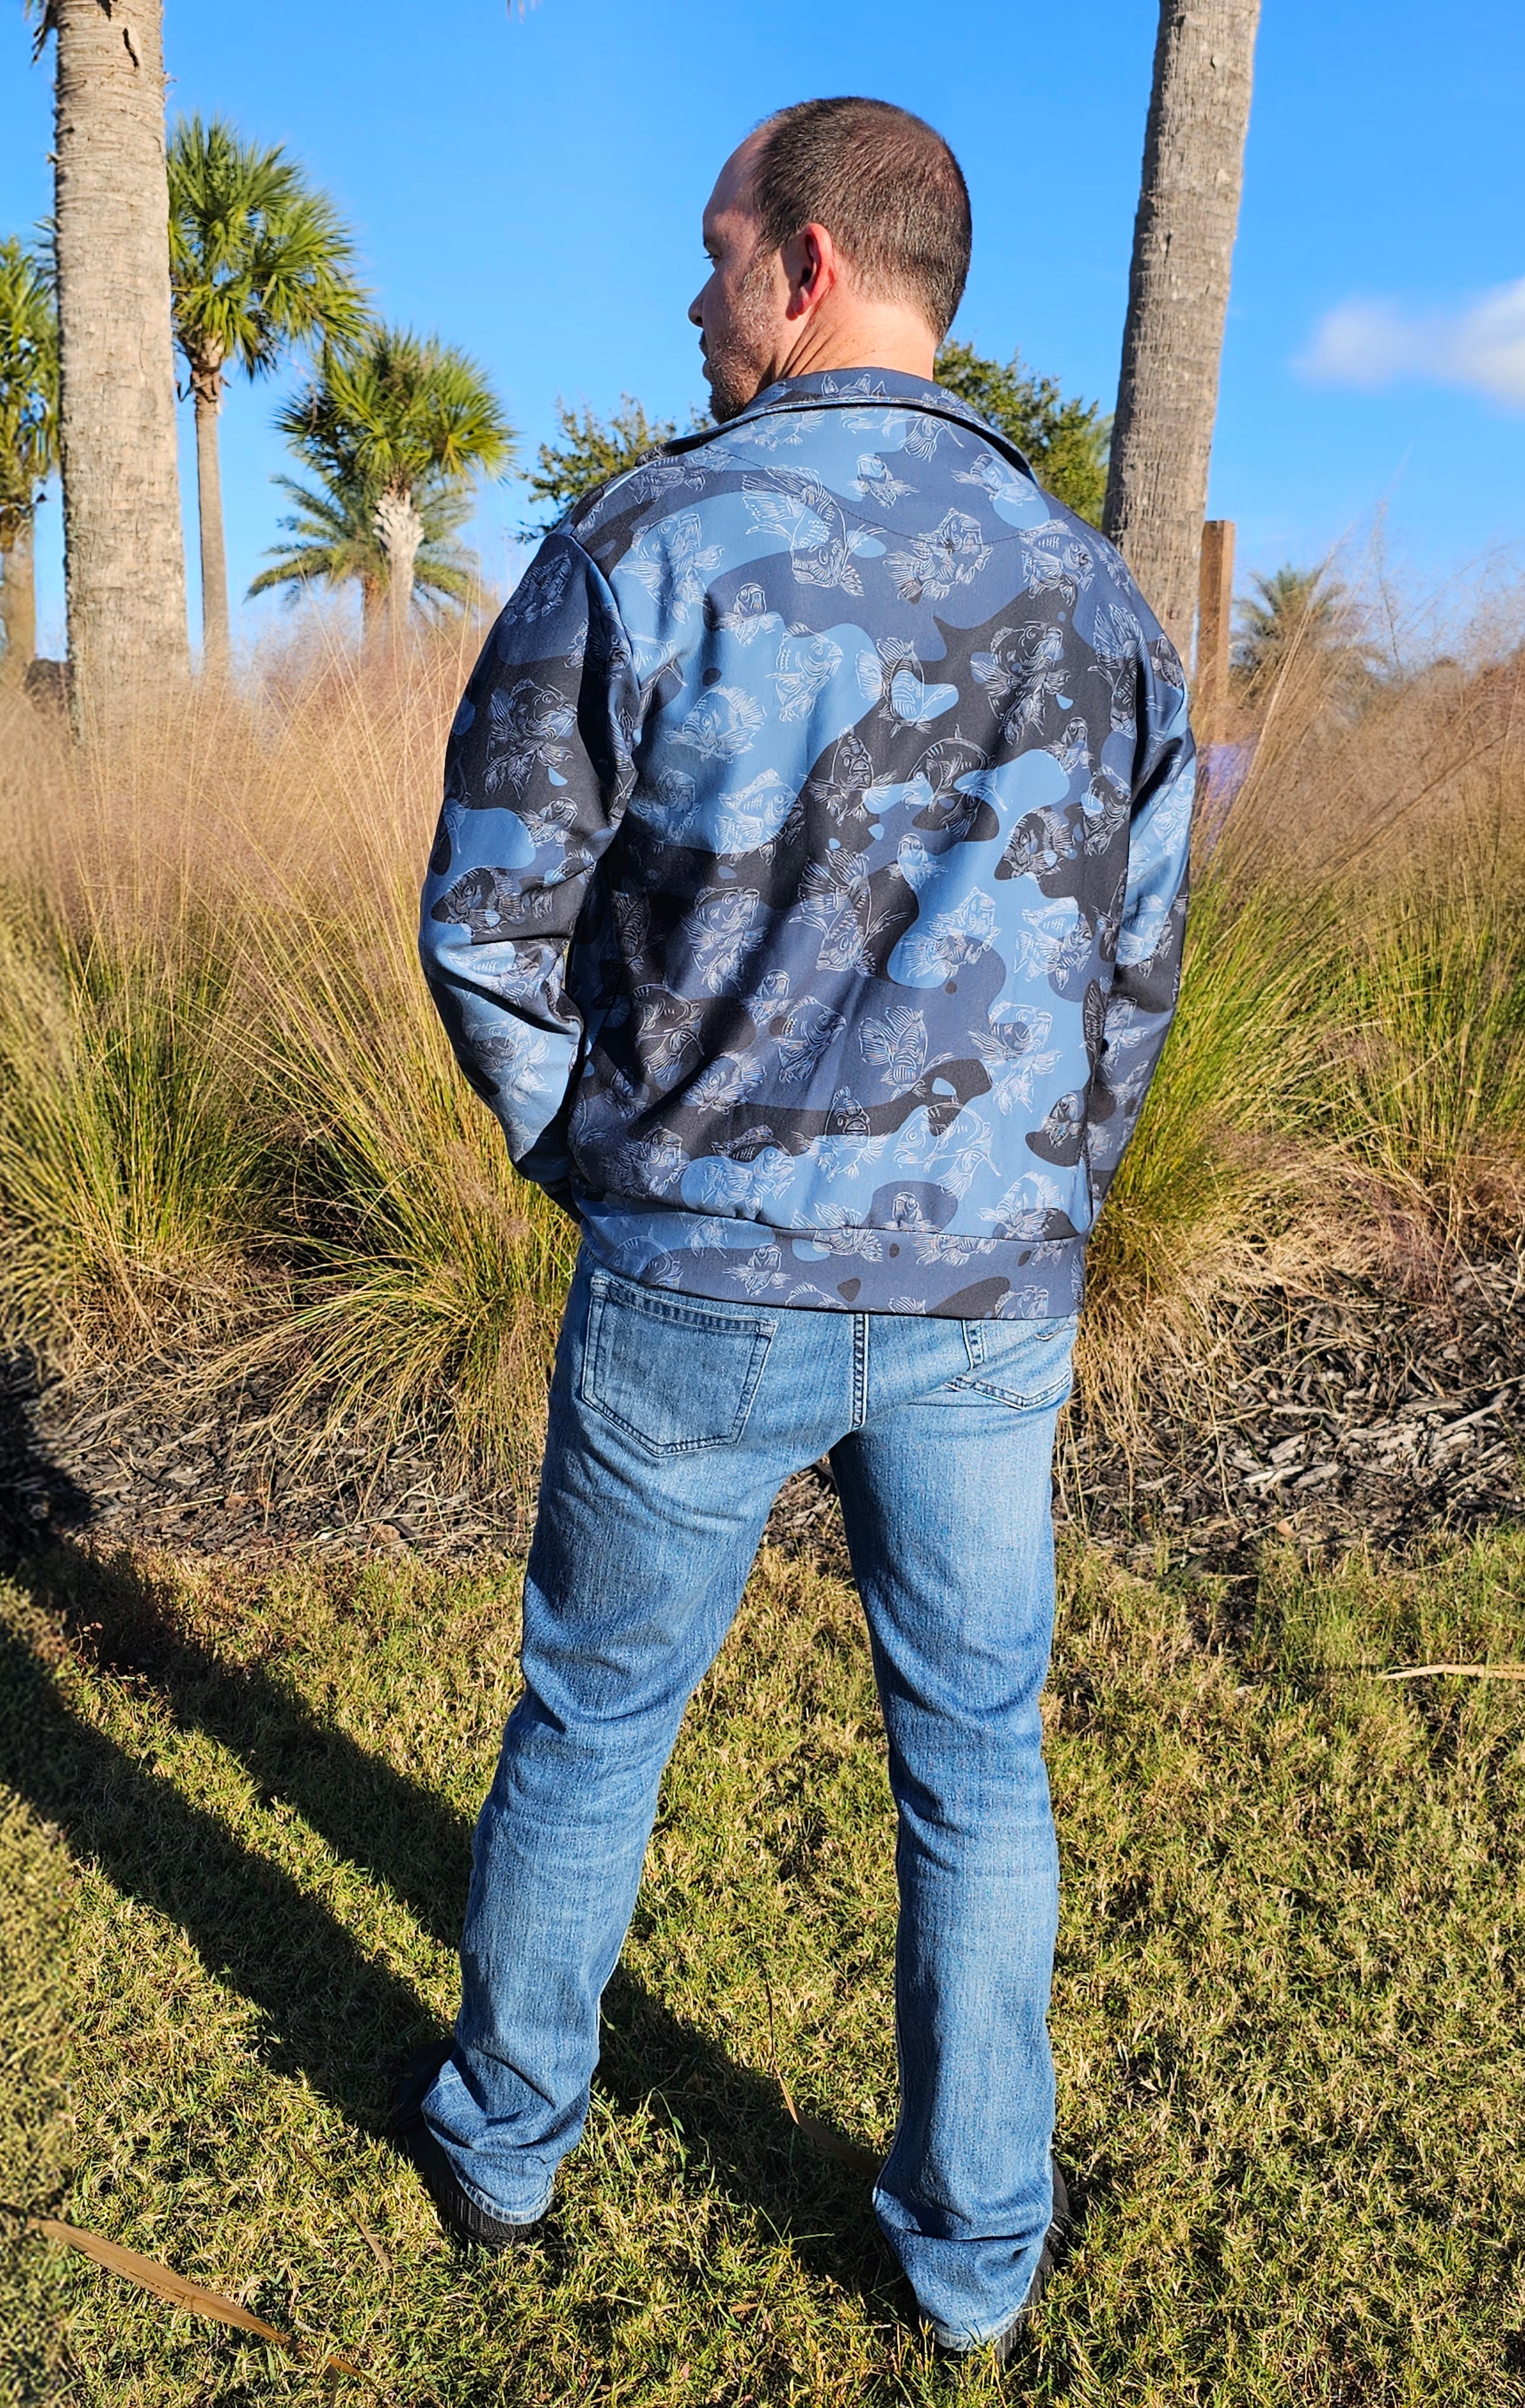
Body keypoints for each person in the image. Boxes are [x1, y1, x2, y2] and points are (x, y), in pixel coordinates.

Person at [406, 93, 1195, 2362]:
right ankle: (972, 2259)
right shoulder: (1095, 595)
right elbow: (1129, 983)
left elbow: (489, 931)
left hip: (696, 1283)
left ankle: (508, 2145)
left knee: (589, 1726)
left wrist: (611, 1160)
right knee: (977, 1753)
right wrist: (1036, 1198)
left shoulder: (641, 546)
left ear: (814, 267)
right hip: (980, 1298)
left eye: (718, 249)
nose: (695, 296)